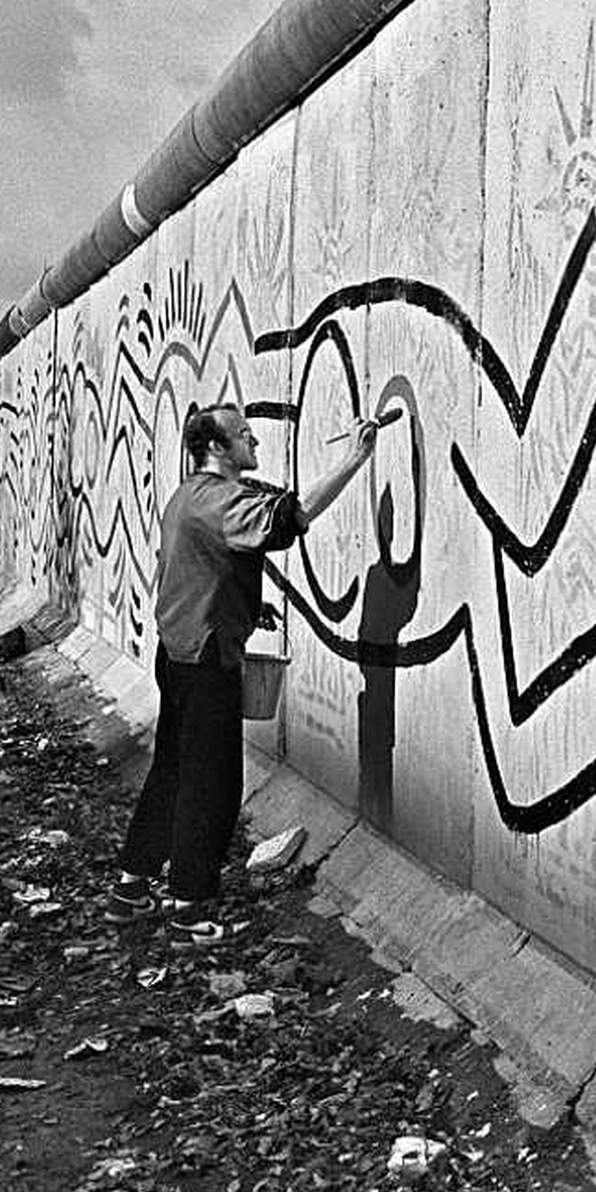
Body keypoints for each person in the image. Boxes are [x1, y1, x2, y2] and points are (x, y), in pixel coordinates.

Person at [105, 403, 378, 948]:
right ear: (217, 448)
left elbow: (196, 569)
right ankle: (189, 909)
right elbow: (291, 518)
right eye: (243, 435)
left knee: (173, 771)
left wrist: (244, 609)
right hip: (207, 660)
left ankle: (131, 886)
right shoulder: (221, 501)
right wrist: (356, 457)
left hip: (177, 652)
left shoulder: (186, 496)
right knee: (213, 783)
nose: (254, 441)